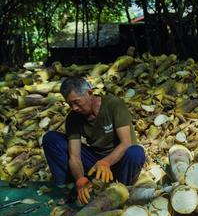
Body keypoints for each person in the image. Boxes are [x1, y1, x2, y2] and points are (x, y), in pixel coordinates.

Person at [42, 76, 145, 204]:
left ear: (89, 93)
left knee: (135, 152)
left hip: (120, 161)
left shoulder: (113, 104)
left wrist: (106, 162)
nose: (74, 108)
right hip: (96, 163)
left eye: (77, 102)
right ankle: (71, 190)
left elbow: (126, 143)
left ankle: (120, 191)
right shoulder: (73, 117)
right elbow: (74, 156)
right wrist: (80, 180)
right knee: (51, 139)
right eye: (70, 104)